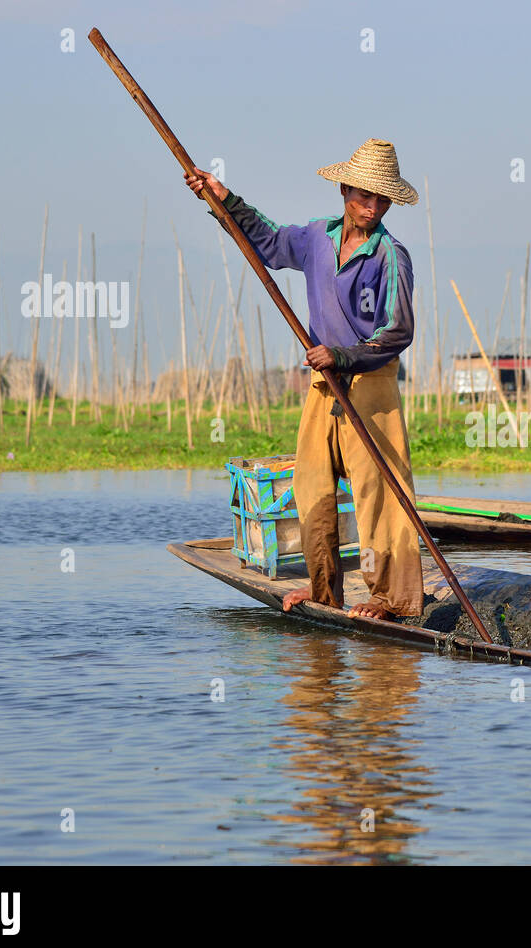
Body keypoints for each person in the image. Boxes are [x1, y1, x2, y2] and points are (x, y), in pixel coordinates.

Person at [185, 139, 423, 620]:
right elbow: (270, 242)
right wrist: (223, 200)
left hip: (370, 384)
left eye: (380, 199)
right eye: (362, 195)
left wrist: (342, 355)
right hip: (323, 388)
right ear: (343, 189)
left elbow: (397, 331)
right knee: (311, 488)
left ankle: (388, 597)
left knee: (378, 494)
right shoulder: (318, 238)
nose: (370, 207)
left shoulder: (390, 257)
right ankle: (324, 592)